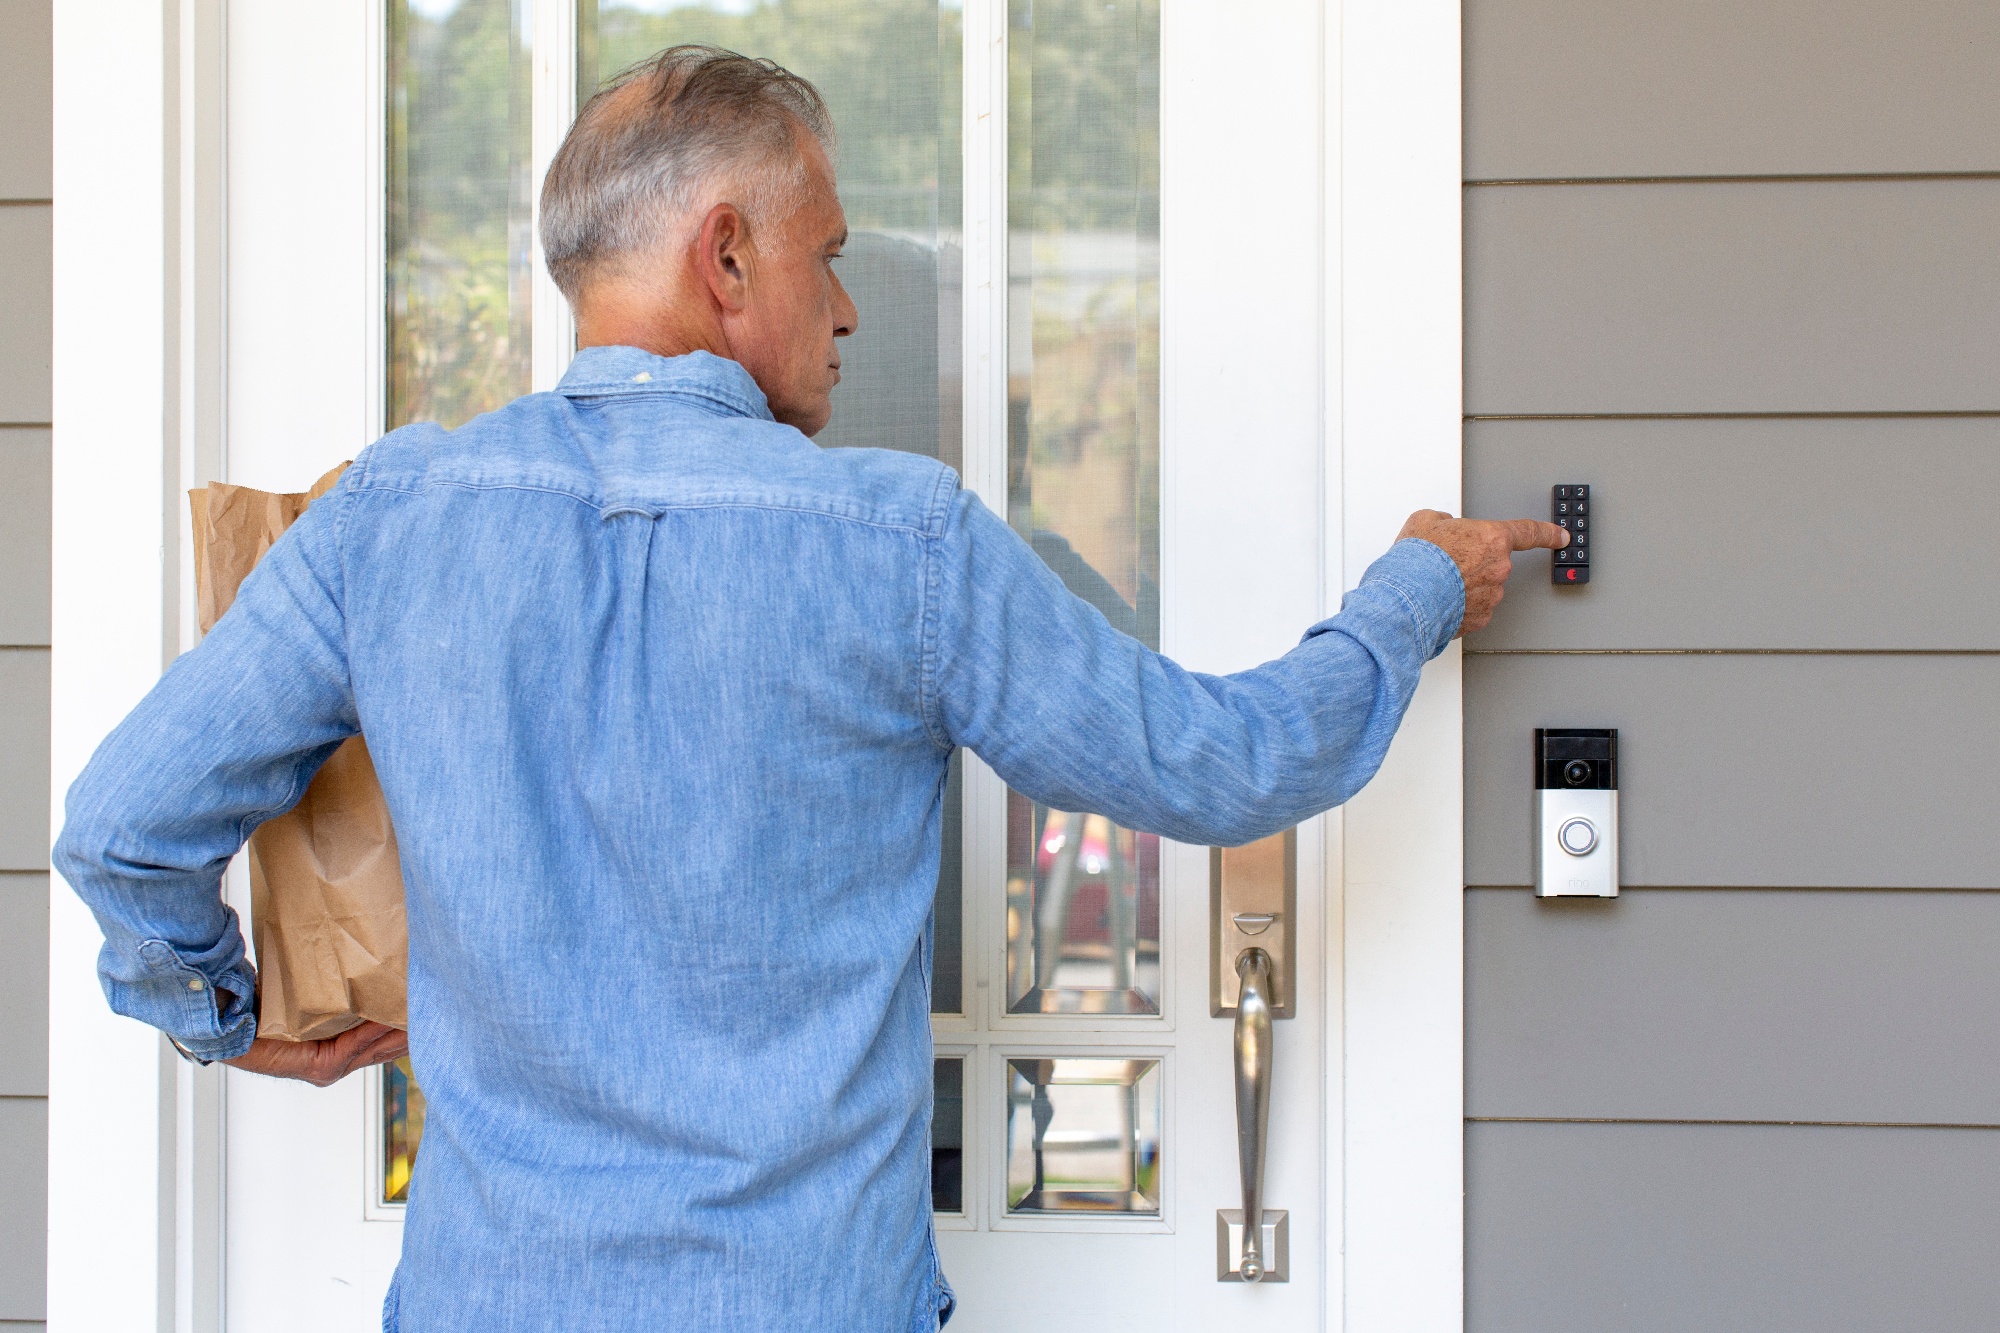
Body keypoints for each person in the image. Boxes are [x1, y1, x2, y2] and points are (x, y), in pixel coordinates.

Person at [53, 45, 1566, 1333]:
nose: (845, 311)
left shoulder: (388, 519)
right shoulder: (900, 542)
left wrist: (220, 1016)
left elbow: (123, 826)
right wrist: (1416, 590)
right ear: (724, 256)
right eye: (825, 256)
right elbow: (1227, 763)